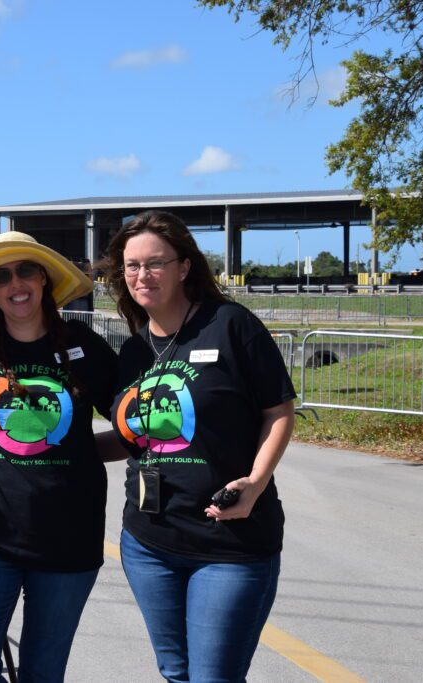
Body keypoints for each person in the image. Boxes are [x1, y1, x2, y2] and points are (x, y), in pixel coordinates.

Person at [104, 210, 295, 682]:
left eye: (155, 263)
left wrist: (255, 482)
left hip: (229, 542)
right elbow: (136, 438)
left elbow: (279, 411)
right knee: (176, 672)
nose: (142, 275)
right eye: (131, 265)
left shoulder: (230, 325)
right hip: (149, 543)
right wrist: (53, 456)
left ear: (184, 266)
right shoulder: (132, 351)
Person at [0, 231, 119, 682]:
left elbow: (134, 420)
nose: (17, 282)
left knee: (43, 674)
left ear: (45, 279)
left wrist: (81, 452)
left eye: (26, 269)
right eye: (1, 275)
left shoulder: (83, 345)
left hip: (70, 539)